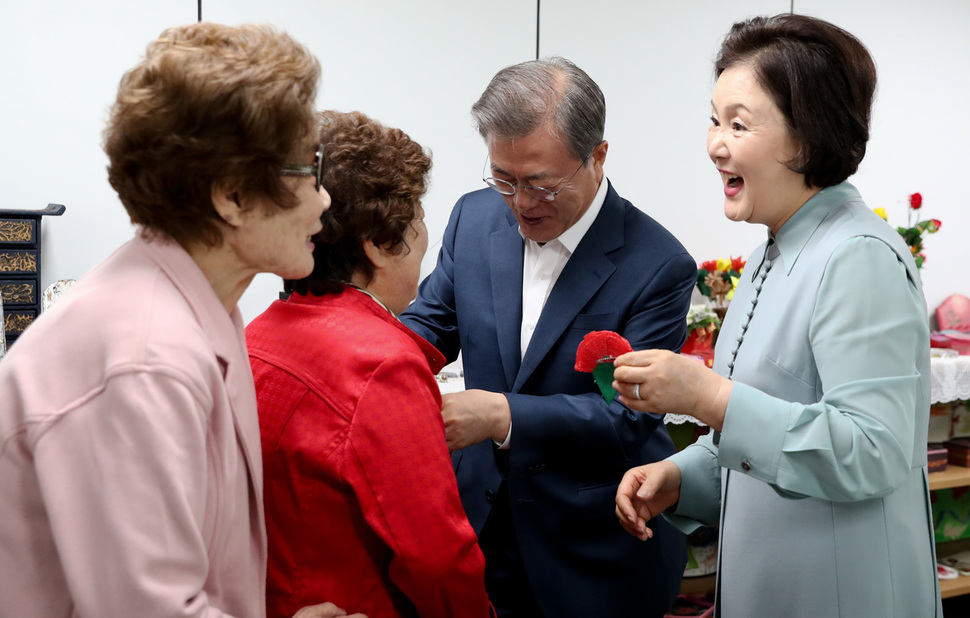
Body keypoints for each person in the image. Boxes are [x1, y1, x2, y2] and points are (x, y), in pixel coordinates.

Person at [0, 22, 363, 618]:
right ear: (233, 196)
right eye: (310, 170)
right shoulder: (144, 360)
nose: (325, 199)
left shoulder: (200, 308)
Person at [613, 14, 942, 617]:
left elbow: (870, 450)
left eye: (738, 124)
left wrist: (707, 397)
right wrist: (682, 475)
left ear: (805, 139)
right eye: (714, 120)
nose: (715, 143)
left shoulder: (857, 257)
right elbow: (766, 435)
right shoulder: (773, 252)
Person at [399, 57, 695, 617]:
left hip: (593, 549)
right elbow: (431, 322)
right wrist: (363, 355)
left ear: (597, 156)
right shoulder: (475, 217)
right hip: (479, 527)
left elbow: (627, 418)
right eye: (504, 179)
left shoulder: (657, 265)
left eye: (541, 184)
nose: (521, 204)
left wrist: (500, 415)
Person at [247, 110, 494, 618]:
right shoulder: (381, 364)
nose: (426, 237)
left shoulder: (257, 335)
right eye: (420, 220)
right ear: (381, 245)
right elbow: (437, 557)